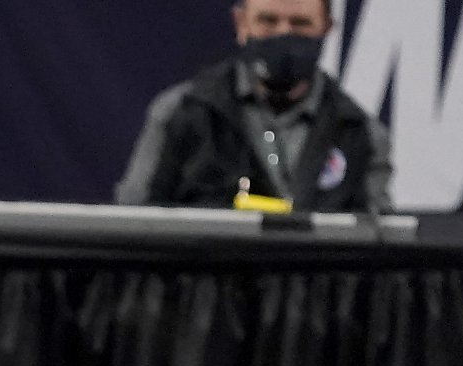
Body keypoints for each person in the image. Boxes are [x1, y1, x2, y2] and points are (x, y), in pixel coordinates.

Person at [113, 0, 392, 214]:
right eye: (268, 21)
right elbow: (133, 225)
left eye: (300, 24)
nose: (283, 34)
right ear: (241, 23)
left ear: (326, 29)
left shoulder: (359, 133)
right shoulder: (183, 113)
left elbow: (380, 248)